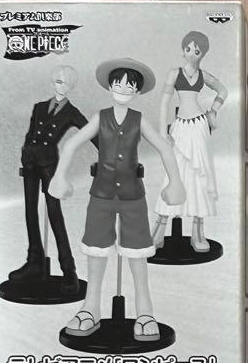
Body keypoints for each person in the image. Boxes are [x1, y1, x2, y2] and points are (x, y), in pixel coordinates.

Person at [48, 58, 185, 342]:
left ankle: (145, 311)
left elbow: (164, 147)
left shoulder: (138, 120)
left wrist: (176, 181)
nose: (123, 89)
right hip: (101, 194)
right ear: (110, 86)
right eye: (118, 83)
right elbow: (72, 143)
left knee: (138, 252)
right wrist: (60, 176)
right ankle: (90, 308)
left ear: (137, 90)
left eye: (129, 85)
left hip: (133, 195)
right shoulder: (101, 117)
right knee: (96, 250)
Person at [6, 65, 93, 295]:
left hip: (49, 166)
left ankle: (68, 269)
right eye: (57, 80)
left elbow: (89, 132)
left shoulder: (71, 112)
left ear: (71, 85)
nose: (59, 85)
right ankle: (34, 262)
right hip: (30, 162)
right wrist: (25, 152)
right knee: (30, 211)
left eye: (64, 81)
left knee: (55, 215)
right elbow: (31, 133)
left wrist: (109, 154)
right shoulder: (40, 107)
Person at [151, 31, 228, 253]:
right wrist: (162, 132)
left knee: (200, 176)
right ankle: (159, 229)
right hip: (180, 128)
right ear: (183, 50)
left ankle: (197, 232)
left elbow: (223, 90)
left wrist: (213, 110)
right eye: (189, 49)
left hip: (199, 127)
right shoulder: (174, 73)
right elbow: (164, 103)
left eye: (197, 50)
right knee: (173, 173)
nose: (192, 53)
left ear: (202, 53)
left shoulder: (204, 75)